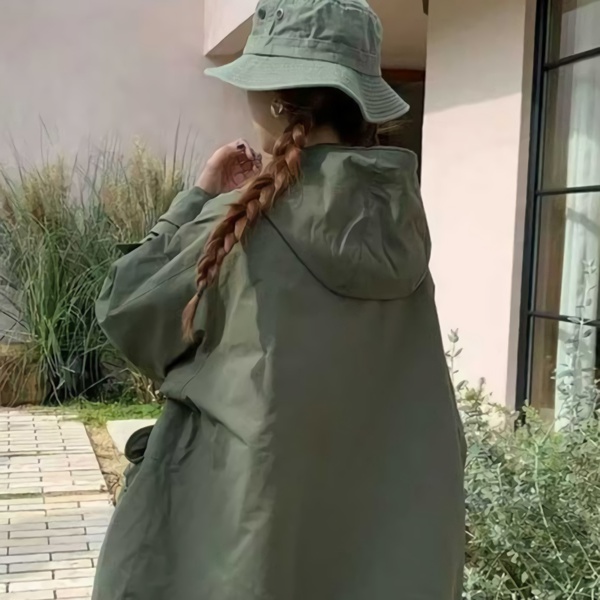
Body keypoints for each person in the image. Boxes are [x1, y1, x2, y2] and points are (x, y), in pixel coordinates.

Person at [92, 0, 466, 598]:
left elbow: (125, 309)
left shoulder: (239, 226)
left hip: (240, 540)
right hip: (382, 547)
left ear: (273, 102)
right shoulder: (399, 228)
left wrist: (197, 198)